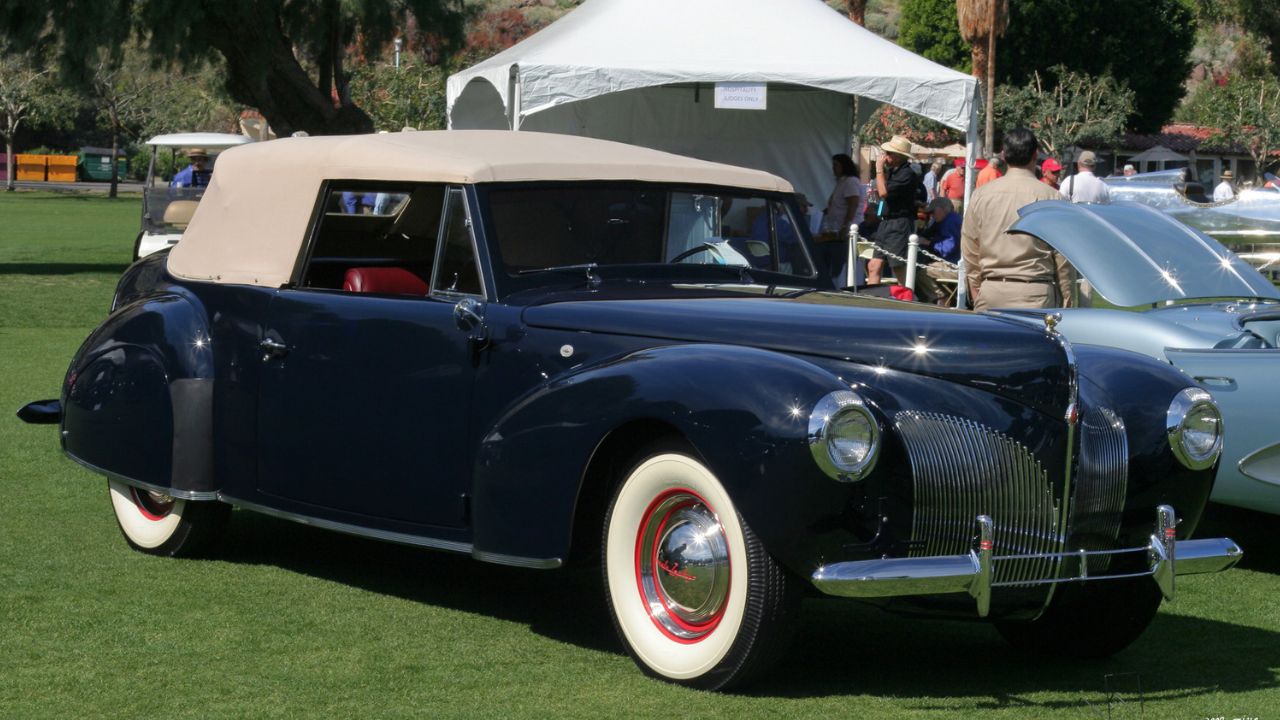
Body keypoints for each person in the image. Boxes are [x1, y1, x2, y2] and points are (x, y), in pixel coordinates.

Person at [961, 127, 1072, 312]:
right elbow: (1063, 260)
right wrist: (1067, 300)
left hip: (991, 290)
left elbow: (970, 248)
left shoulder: (981, 195)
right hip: (1036, 293)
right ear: (1035, 155)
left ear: (1004, 155)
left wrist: (976, 290)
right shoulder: (1053, 198)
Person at [868, 135, 921, 285]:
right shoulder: (892, 172)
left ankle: (906, 299)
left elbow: (883, 192)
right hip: (885, 223)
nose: (885, 156)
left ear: (899, 157)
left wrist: (878, 169)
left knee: (897, 267)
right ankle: (872, 301)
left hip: (898, 225)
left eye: (889, 153)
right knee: (873, 266)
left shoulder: (907, 174)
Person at [816, 153, 865, 284]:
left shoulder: (851, 181)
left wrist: (845, 225)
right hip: (834, 228)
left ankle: (839, 282)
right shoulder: (841, 182)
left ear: (844, 166)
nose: (833, 168)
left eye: (836, 165)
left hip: (845, 230)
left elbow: (853, 205)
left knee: (840, 259)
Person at [916, 197, 962, 305]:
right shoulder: (945, 220)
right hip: (953, 265)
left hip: (955, 267)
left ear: (944, 209)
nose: (931, 215)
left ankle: (942, 298)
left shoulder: (950, 221)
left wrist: (928, 243)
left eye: (933, 211)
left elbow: (947, 248)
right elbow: (927, 233)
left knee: (921, 272)